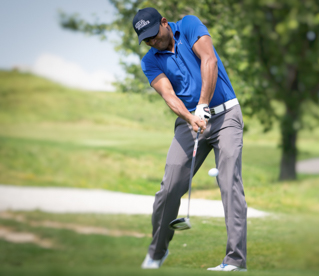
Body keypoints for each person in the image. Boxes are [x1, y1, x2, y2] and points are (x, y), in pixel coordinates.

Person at [132, 7, 247, 271]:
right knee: (169, 187)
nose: (153, 42)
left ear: (164, 23)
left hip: (226, 114)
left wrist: (203, 104)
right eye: (146, 40)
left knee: (229, 182)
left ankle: (235, 260)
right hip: (190, 123)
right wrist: (189, 116)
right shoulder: (150, 61)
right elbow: (169, 95)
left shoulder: (190, 25)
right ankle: (157, 252)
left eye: (154, 35)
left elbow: (209, 60)